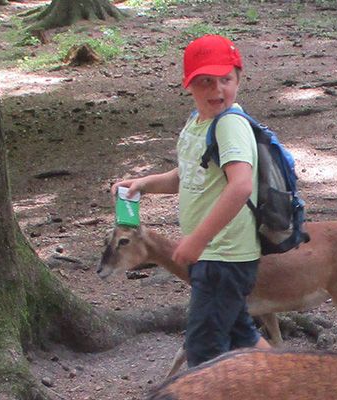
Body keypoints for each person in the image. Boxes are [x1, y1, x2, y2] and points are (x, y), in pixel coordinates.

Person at [112, 34, 266, 369]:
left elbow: (240, 186)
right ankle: (295, 386)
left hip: (223, 256)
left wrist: (198, 239)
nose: (217, 90)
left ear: (239, 79)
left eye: (226, 80)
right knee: (242, 334)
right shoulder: (199, 124)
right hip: (214, 255)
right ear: (189, 85)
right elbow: (185, 177)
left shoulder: (230, 126)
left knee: (203, 352)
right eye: (206, 82)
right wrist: (144, 184)